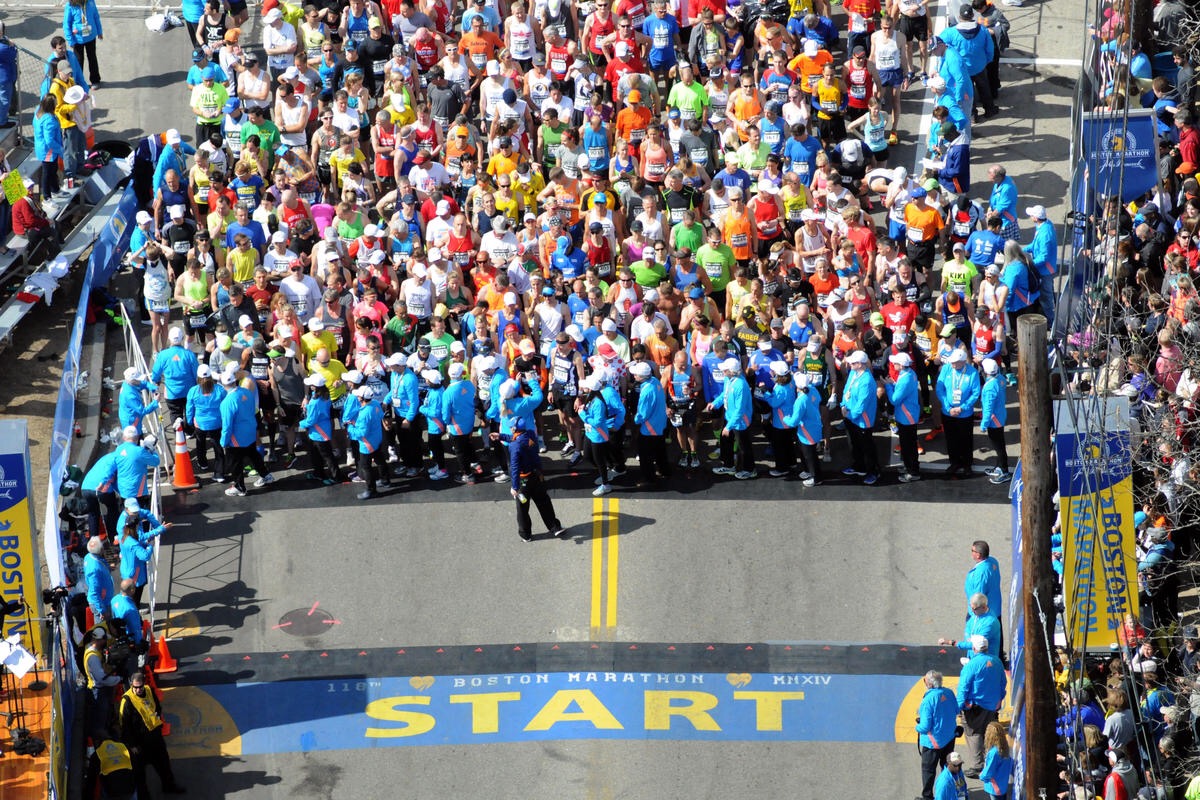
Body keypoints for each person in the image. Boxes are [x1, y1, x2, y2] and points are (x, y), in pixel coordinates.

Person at [118, 672, 186, 795]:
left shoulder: (149, 690)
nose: (138, 690)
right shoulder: (126, 701)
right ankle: (144, 796)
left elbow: (157, 707)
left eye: (140, 686)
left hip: (154, 737)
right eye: (135, 687)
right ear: (131, 685)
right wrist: (132, 745)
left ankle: (169, 786)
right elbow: (125, 726)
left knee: (164, 764)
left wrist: (157, 717)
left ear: (144, 684)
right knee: (140, 774)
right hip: (139, 743)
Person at [508, 412, 566, 541]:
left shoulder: (514, 446)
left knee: (522, 509)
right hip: (536, 476)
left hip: (523, 482)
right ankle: (554, 527)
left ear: (514, 429)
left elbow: (515, 467)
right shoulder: (530, 435)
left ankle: (525, 534)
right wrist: (500, 436)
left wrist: (514, 487)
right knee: (544, 502)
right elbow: (515, 439)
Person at [957, 634, 1006, 778]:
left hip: (975, 707)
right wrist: (999, 699)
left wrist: (960, 706)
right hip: (992, 706)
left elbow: (963, 688)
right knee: (988, 732)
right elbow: (1003, 683)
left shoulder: (971, 666)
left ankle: (978, 765)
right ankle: (991, 761)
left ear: (974, 648)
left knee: (973, 734)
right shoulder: (996, 661)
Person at [218, 370, 274, 496]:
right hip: (250, 432)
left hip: (236, 439)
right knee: (254, 455)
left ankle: (239, 487)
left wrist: (224, 441)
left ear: (223, 385)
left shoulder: (227, 403)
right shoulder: (247, 392)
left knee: (236, 463)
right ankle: (266, 475)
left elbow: (227, 425)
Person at [116, 498, 170, 605]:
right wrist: (151, 544)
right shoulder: (132, 541)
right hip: (135, 572)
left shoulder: (127, 534)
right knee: (134, 597)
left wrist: (157, 526)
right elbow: (144, 554)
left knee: (129, 596)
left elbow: (146, 514)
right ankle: (135, 615)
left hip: (128, 568)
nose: (137, 514)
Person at [708, 356, 755, 479]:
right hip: (730, 417)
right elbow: (725, 394)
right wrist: (715, 403)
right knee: (725, 442)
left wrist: (728, 427)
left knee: (744, 447)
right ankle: (729, 466)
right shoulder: (728, 379)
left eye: (725, 370)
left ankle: (750, 470)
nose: (723, 371)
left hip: (740, 421)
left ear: (731, 371)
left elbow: (740, 410)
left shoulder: (741, 385)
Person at [935, 349, 979, 477]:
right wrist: (948, 407)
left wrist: (962, 408)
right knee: (950, 439)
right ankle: (954, 462)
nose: (952, 365)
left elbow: (975, 393)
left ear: (963, 361)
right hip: (948, 412)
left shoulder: (972, 372)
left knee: (966, 439)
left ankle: (967, 464)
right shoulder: (947, 369)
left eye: (955, 363)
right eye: (952, 362)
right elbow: (940, 388)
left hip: (964, 414)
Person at [915, 669, 958, 800]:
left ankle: (927, 796)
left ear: (929, 684)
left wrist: (917, 726)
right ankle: (949, 791)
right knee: (947, 767)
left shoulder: (928, 701)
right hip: (949, 738)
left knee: (928, 770)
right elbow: (956, 710)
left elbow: (925, 726)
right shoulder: (949, 693)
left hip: (933, 743)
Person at [840, 349, 879, 484]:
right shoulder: (854, 372)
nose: (850, 365)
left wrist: (849, 414)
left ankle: (873, 472)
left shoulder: (867, 381)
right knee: (855, 444)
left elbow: (862, 404)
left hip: (862, 420)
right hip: (851, 416)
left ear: (861, 364)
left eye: (853, 363)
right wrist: (843, 405)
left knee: (867, 447)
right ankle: (859, 466)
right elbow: (846, 389)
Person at [630, 359, 670, 486]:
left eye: (635, 374)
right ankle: (664, 470)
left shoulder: (646, 391)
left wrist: (635, 420)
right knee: (660, 450)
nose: (634, 376)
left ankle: (648, 478)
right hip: (660, 424)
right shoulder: (655, 381)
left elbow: (643, 413)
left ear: (641, 377)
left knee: (645, 455)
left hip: (649, 428)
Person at [886, 351, 921, 481]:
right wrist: (892, 384)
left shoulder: (905, 378)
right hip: (907, 415)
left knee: (909, 446)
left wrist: (888, 385)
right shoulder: (909, 374)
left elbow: (894, 400)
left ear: (900, 365)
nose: (893, 364)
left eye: (895, 362)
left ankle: (913, 472)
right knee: (907, 445)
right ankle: (908, 467)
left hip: (907, 417)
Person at [82, 627, 122, 741]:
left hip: (98, 688)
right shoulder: (93, 658)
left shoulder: (90, 647)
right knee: (100, 715)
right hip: (98, 690)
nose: (105, 642)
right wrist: (118, 679)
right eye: (104, 640)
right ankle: (100, 739)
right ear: (99, 640)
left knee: (102, 713)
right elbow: (101, 679)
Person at [1022, 204, 1057, 326]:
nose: (1030, 216)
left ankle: (1052, 323)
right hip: (1045, 269)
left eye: (1032, 215)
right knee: (1048, 295)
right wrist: (1023, 250)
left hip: (1045, 271)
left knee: (1046, 298)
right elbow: (1034, 244)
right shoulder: (1044, 226)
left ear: (1036, 218)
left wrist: (1029, 263)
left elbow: (1044, 257)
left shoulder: (1045, 234)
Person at [978, 358, 1009, 484]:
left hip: (994, 420)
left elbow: (988, 407)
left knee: (999, 446)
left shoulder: (990, 387)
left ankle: (1004, 471)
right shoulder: (1000, 378)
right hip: (1000, 416)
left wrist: (983, 424)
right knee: (999, 445)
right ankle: (999, 467)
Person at [978, 720, 1012, 800]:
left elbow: (989, 771)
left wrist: (982, 776)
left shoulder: (994, 753)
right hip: (1003, 784)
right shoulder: (1005, 747)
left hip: (995, 786)